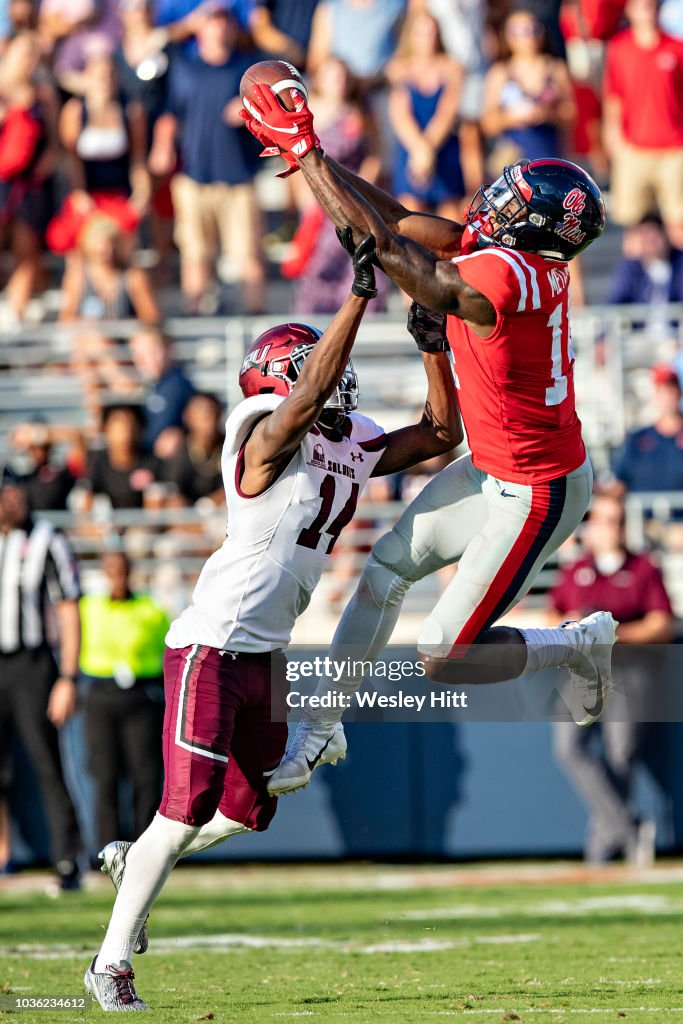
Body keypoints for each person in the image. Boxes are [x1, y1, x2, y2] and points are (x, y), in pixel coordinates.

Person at [83, 236, 462, 1010]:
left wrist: (433, 347)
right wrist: (357, 299)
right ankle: (110, 960)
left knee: (249, 806)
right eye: (316, 365)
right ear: (280, 379)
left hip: (266, 652)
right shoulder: (262, 437)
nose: (337, 376)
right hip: (210, 645)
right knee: (183, 807)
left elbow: (439, 433)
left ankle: (138, 863)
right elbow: (307, 395)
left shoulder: (343, 442)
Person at [240, 84, 618, 795]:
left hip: (537, 492)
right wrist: (314, 157)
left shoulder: (504, 285)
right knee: (382, 573)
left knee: (443, 653)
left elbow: (383, 246)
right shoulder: (516, 260)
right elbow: (399, 218)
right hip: (495, 465)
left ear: (533, 230)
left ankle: (577, 644)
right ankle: (319, 731)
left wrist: (306, 152)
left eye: (511, 205)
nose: (494, 205)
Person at [550, 493, 674, 864]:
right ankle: (627, 828)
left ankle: (605, 842)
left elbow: (661, 624)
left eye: (617, 519)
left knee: (621, 756)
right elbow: (553, 616)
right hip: (583, 673)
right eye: (604, 519)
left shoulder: (642, 568)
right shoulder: (577, 570)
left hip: (629, 670)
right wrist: (575, 629)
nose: (611, 527)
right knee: (569, 747)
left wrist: (613, 635)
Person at [148, 7, 264, 314]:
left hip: (238, 176)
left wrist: (249, 107)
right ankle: (194, 315)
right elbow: (171, 113)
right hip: (194, 176)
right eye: (212, 23)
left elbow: (273, 109)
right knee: (195, 255)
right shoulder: (186, 69)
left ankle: (257, 322)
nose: (218, 30)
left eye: (224, 24)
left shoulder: (248, 71)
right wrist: (162, 147)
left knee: (248, 256)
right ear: (201, 30)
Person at [0, 465, 83, 891]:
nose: (14, 499)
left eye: (16, 491)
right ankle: (3, 855)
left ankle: (67, 859)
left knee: (48, 763)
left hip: (31, 664)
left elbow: (69, 607)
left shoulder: (46, 538)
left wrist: (67, 675)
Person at [80, 551, 169, 853]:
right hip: (102, 695)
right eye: (112, 569)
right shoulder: (89, 608)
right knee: (105, 775)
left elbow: (164, 652)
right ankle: (108, 850)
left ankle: (145, 849)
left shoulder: (151, 609)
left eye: (123, 569)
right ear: (104, 572)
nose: (118, 575)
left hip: (141, 695)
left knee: (145, 775)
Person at [603, 0, 683, 249]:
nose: (646, 11)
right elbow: (613, 95)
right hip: (634, 148)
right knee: (634, 227)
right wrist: (612, 133)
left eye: (650, 5)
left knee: (678, 224)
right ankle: (635, 286)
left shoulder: (677, 48)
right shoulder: (619, 48)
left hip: (674, 149)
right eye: (640, 6)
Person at [387, 11, 479, 221]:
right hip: (410, 148)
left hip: (443, 146)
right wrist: (419, 151)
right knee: (410, 216)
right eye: (421, 33)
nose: (427, 38)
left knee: (451, 218)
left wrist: (427, 151)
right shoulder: (398, 69)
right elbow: (400, 115)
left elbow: (447, 113)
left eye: (432, 32)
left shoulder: (452, 68)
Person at [481, 8, 575, 176]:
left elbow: (571, 114)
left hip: (548, 156)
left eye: (534, 28)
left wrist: (545, 113)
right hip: (511, 160)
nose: (529, 36)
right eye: (520, 31)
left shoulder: (555, 68)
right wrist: (512, 117)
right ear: (508, 36)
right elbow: (488, 123)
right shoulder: (500, 72)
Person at [614, 364, 683, 495]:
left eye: (671, 390)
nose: (667, 397)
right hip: (642, 514)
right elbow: (621, 481)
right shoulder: (638, 439)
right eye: (662, 391)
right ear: (655, 395)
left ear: (679, 393)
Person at [128, 327, 195, 456]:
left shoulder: (177, 386)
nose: (143, 360)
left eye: (152, 352)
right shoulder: (148, 385)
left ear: (168, 350)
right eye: (138, 354)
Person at [82, 404, 160, 511]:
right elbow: (86, 504)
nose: (126, 431)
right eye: (119, 424)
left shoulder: (152, 462)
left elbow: (156, 511)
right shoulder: (97, 462)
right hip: (106, 525)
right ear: (106, 429)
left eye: (131, 424)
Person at [160, 392, 224, 506]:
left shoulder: (230, 447)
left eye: (212, 413)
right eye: (201, 414)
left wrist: (209, 504)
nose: (208, 420)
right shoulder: (179, 451)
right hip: (188, 517)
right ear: (188, 418)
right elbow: (172, 492)